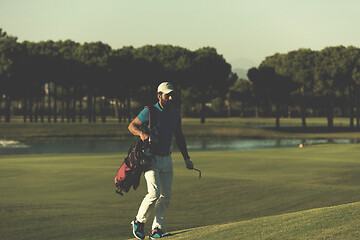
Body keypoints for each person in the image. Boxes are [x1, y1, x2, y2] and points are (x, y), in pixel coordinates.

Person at [128, 82, 194, 239]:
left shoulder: (175, 114)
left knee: (166, 196)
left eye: (172, 95)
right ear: (159, 96)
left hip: (167, 158)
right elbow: (132, 126)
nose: (171, 97)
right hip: (150, 159)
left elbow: (179, 137)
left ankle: (156, 229)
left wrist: (187, 158)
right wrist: (141, 134)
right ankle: (138, 221)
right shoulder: (149, 111)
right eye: (167, 95)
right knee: (154, 193)